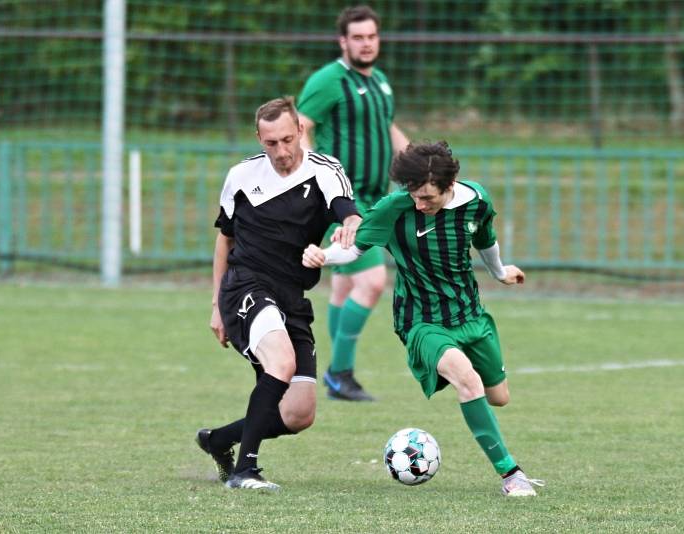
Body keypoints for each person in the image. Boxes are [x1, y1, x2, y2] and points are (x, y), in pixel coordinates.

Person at [302, 141, 544, 497]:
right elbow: (354, 247)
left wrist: (499, 272)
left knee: (499, 397)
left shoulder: (476, 200)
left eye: (428, 198)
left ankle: (497, 439)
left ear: (450, 185)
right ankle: (512, 475)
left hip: (470, 315)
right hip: (421, 320)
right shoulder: (395, 208)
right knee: (468, 380)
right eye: (414, 195)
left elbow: (485, 237)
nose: (420, 204)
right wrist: (324, 256)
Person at [196, 97, 360, 491]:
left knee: (299, 413)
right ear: (259, 138)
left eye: (288, 140)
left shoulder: (326, 171)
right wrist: (216, 305)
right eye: (271, 143)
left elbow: (350, 214)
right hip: (245, 287)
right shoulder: (240, 176)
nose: (282, 152)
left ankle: (218, 440)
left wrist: (347, 229)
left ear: (300, 130)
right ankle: (244, 471)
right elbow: (226, 242)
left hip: (292, 298)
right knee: (281, 362)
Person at [297, 4, 410, 401]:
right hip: (343, 200)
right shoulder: (328, 80)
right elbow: (300, 126)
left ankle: (334, 375)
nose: (366, 43)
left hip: (376, 197)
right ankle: (339, 372)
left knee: (344, 288)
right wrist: (316, 173)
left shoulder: (379, 81)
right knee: (373, 280)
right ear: (343, 41)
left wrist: (419, 160)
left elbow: (388, 126)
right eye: (358, 37)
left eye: (372, 36)